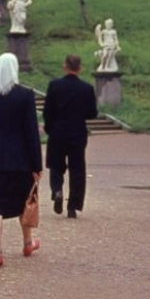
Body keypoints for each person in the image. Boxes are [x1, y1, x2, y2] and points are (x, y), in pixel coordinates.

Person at [0, 53, 42, 268]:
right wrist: (37, 164)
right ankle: (27, 243)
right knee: (24, 201)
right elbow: (32, 131)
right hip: (20, 157)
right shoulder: (25, 95)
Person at [43, 54, 98, 218]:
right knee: (77, 169)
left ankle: (57, 190)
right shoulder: (86, 88)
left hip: (57, 131)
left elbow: (47, 111)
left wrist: (49, 127)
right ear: (79, 68)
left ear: (65, 66)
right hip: (77, 132)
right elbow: (92, 113)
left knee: (55, 165)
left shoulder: (54, 86)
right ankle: (73, 206)